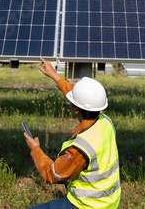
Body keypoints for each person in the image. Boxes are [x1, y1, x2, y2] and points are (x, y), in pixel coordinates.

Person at [23, 58, 121, 209]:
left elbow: (54, 173)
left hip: (87, 205)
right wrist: (55, 76)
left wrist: (35, 149)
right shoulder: (105, 120)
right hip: (110, 202)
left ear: (75, 109)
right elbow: (85, 98)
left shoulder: (81, 147)